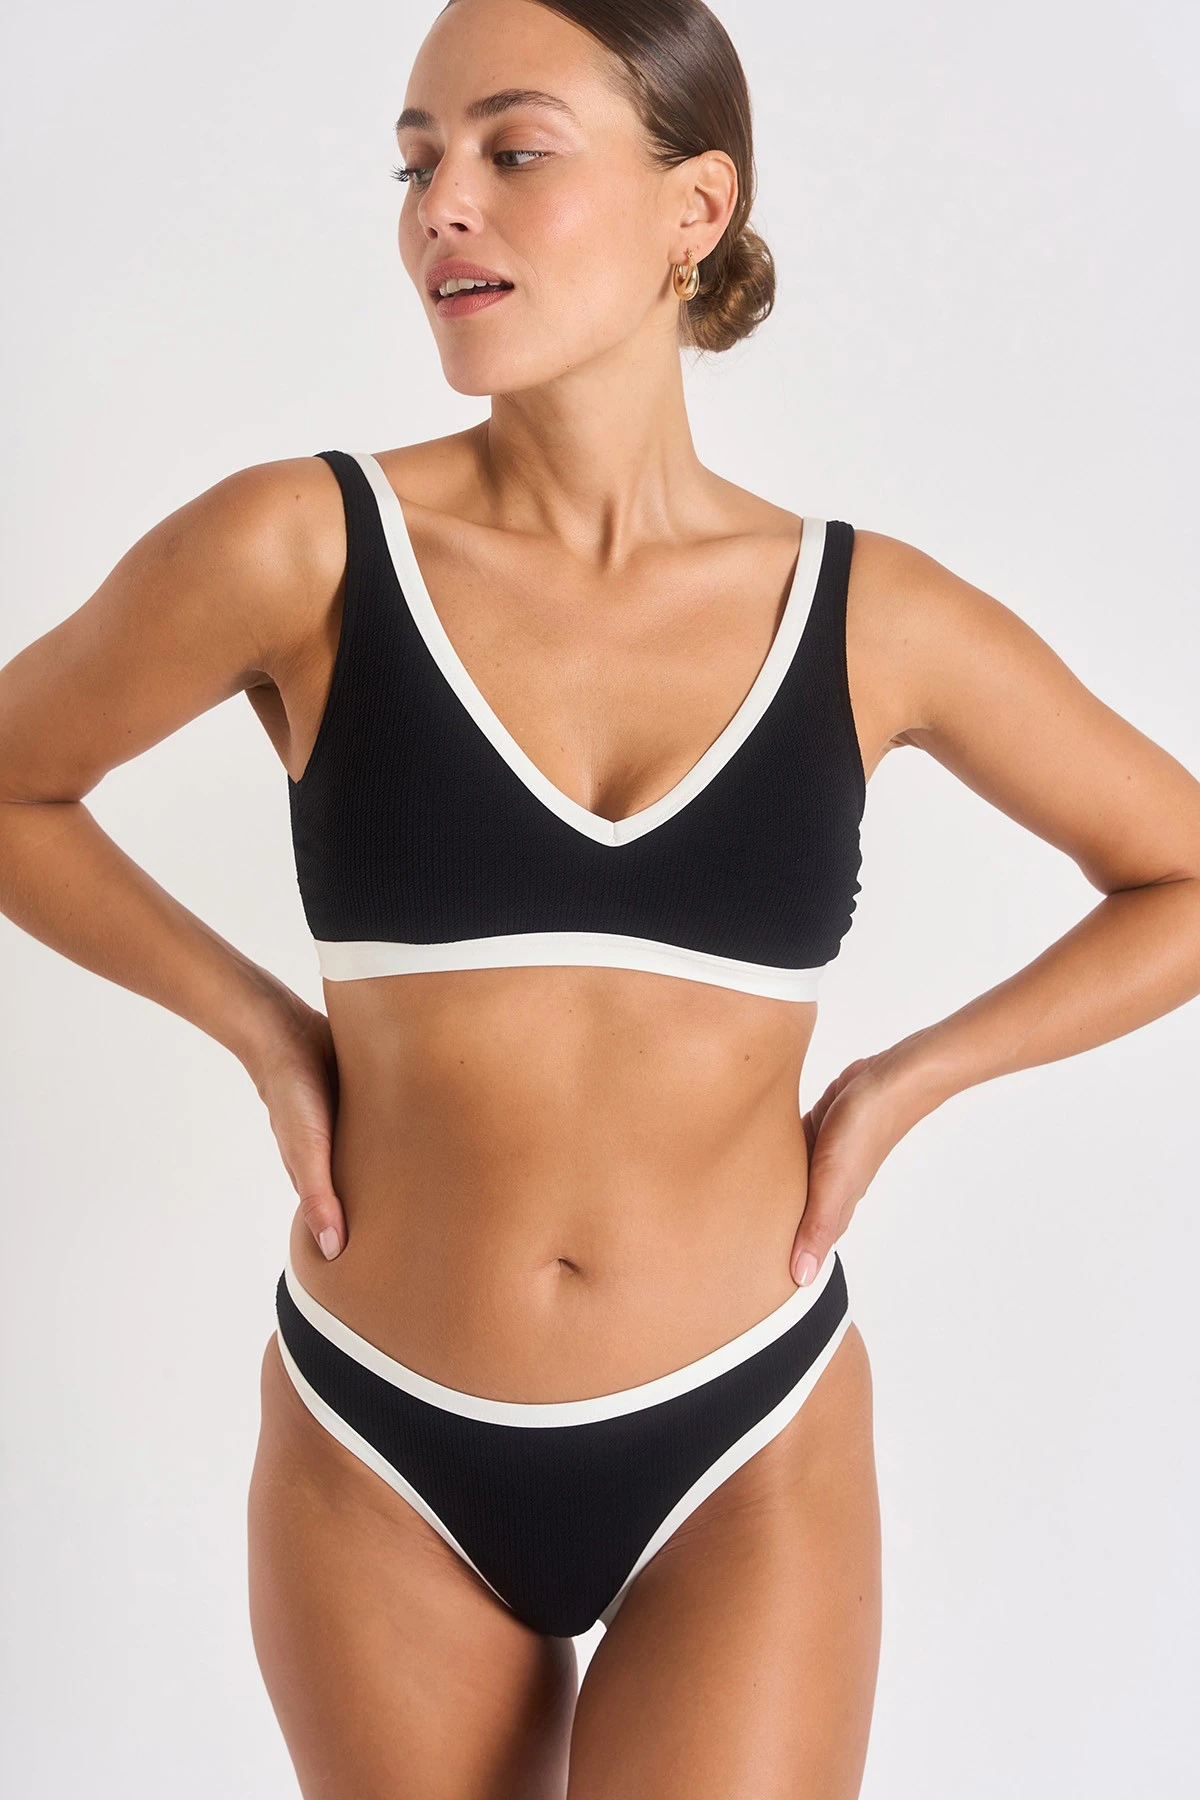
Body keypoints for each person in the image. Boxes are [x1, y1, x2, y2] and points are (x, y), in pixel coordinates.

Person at [2, 0, 1198, 1794]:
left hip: (743, 1436)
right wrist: (260, 1028)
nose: (441, 206)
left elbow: (1179, 871)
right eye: (415, 163)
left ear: (694, 208)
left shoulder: (868, 614)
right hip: (379, 1438)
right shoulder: (302, 548)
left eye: (515, 150)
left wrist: (904, 1084)